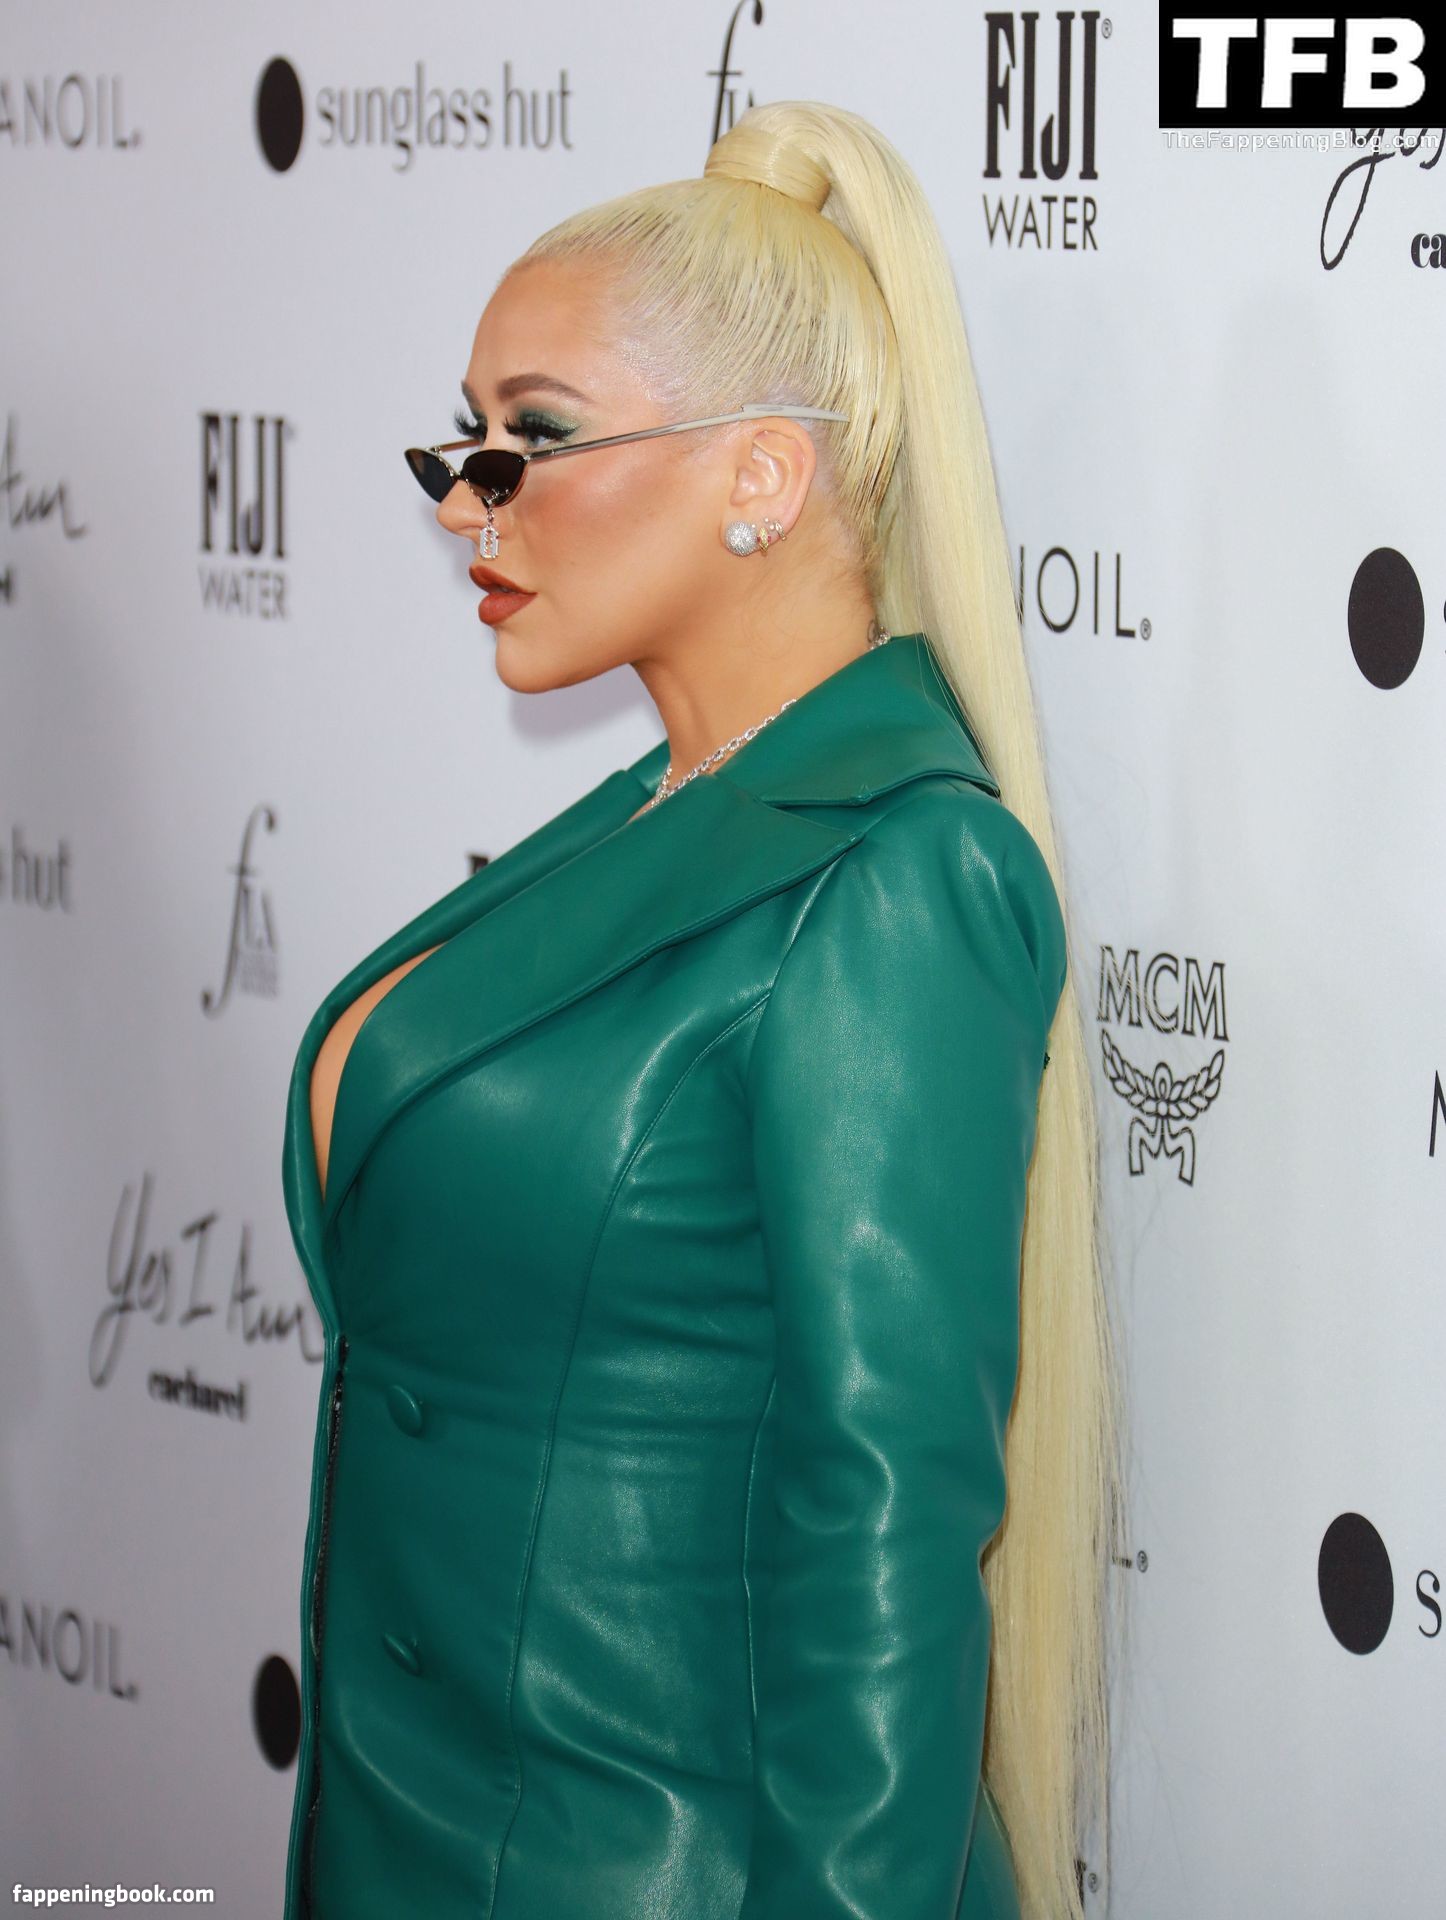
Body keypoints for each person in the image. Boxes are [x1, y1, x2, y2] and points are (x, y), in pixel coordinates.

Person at [280, 99, 1123, 1920]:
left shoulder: (896, 872)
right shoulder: (652, 821)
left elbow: (884, 1529)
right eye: (466, 438)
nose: (464, 499)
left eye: (533, 439)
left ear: (762, 475)